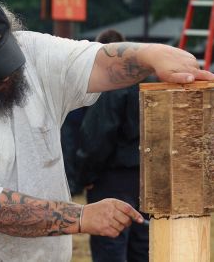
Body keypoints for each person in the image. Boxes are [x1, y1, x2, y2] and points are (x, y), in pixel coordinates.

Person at [0, 0, 214, 261]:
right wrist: (80, 217)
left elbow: (103, 63)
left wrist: (153, 55)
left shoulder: (33, 51)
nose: (6, 75)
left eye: (7, 58)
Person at [76, 29, 149, 262]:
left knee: (111, 246)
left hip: (112, 177)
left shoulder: (110, 87)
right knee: (142, 247)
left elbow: (97, 136)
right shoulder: (147, 82)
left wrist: (85, 174)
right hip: (146, 177)